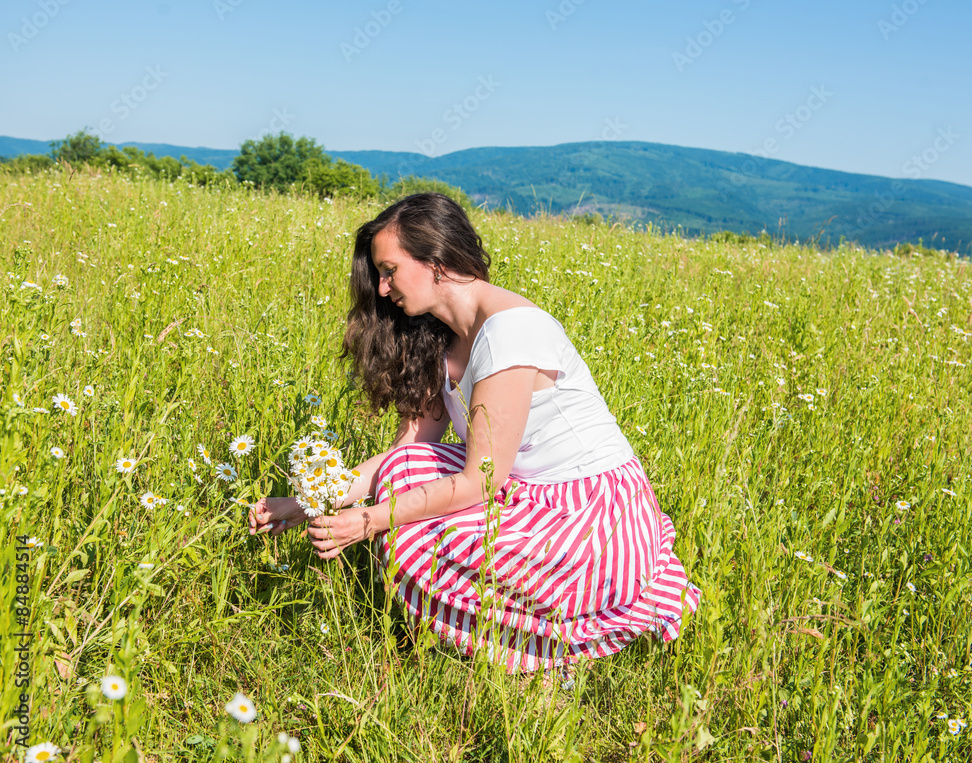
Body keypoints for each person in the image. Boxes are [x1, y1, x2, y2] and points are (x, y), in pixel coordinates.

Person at [250, 193, 699, 672]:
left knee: (401, 517)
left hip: (592, 519)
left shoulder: (509, 332)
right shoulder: (440, 336)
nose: (382, 290)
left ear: (436, 261)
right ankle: (509, 641)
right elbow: (406, 454)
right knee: (407, 469)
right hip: (529, 498)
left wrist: (370, 521)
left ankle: (540, 658)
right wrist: (307, 503)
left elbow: (481, 481)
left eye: (389, 270)